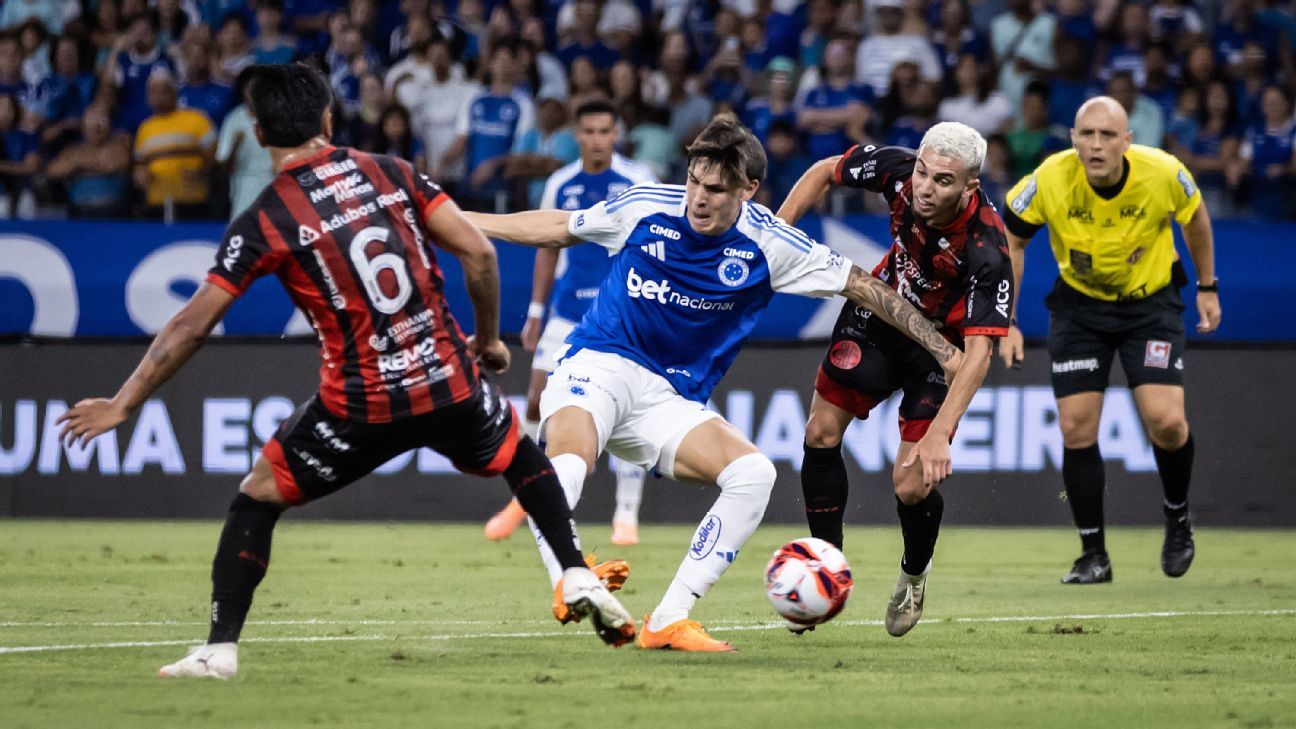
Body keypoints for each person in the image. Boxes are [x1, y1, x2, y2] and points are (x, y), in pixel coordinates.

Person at [55, 63, 635, 679]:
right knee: (522, 453)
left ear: (256, 134)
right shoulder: (391, 171)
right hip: (446, 377)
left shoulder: (268, 216)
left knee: (256, 499)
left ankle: (219, 649)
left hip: (360, 404)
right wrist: (488, 340)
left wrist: (125, 402)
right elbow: (479, 251)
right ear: (329, 118)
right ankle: (573, 571)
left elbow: (190, 326)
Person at [464, 115, 963, 651]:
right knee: (571, 457)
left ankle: (667, 620)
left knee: (753, 474)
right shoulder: (645, 205)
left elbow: (863, 287)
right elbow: (559, 226)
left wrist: (942, 349)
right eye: (694, 183)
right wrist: (464, 222)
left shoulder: (770, 245)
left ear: (748, 190)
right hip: (600, 362)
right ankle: (569, 574)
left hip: (669, 400)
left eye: (716, 189)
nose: (697, 200)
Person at [776, 123, 1013, 638]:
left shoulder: (987, 249)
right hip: (881, 316)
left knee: (910, 484)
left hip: (942, 351)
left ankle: (913, 573)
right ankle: (824, 570)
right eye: (924, 173)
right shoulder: (899, 169)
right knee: (819, 433)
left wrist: (939, 432)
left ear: (970, 188)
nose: (925, 188)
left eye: (943, 181)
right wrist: (773, 235)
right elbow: (822, 171)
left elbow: (976, 356)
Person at [999, 96, 1221, 585]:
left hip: (1151, 305)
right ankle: (1093, 554)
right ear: (1073, 138)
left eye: (1106, 135)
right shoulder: (1050, 179)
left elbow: (1196, 219)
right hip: (1080, 311)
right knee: (1077, 429)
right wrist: (1007, 320)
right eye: (1086, 134)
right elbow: (1011, 241)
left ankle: (1178, 517)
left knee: (1166, 422)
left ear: (1127, 140)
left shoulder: (1163, 173)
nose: (1096, 145)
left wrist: (1207, 286)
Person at [483, 99, 657, 545]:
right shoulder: (561, 182)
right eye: (589, 131)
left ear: (616, 134)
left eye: (604, 131)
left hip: (622, 314)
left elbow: (657, 246)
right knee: (538, 400)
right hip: (566, 309)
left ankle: (626, 515)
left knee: (626, 411)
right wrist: (537, 310)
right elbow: (547, 245)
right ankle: (525, 495)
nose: (597, 139)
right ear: (577, 135)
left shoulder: (638, 182)